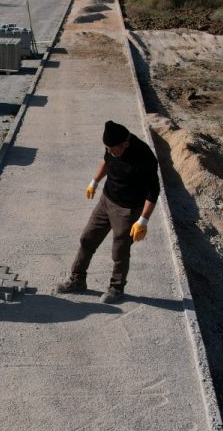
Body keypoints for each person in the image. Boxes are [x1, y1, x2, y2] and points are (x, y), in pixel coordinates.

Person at [56, 120, 160, 303]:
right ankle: (77, 280)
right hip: (106, 200)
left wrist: (143, 220)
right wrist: (95, 181)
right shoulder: (113, 145)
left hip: (127, 210)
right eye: (108, 148)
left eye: (113, 149)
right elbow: (106, 161)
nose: (110, 152)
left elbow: (153, 192)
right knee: (87, 238)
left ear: (125, 144)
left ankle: (116, 288)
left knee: (119, 251)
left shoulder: (145, 158)